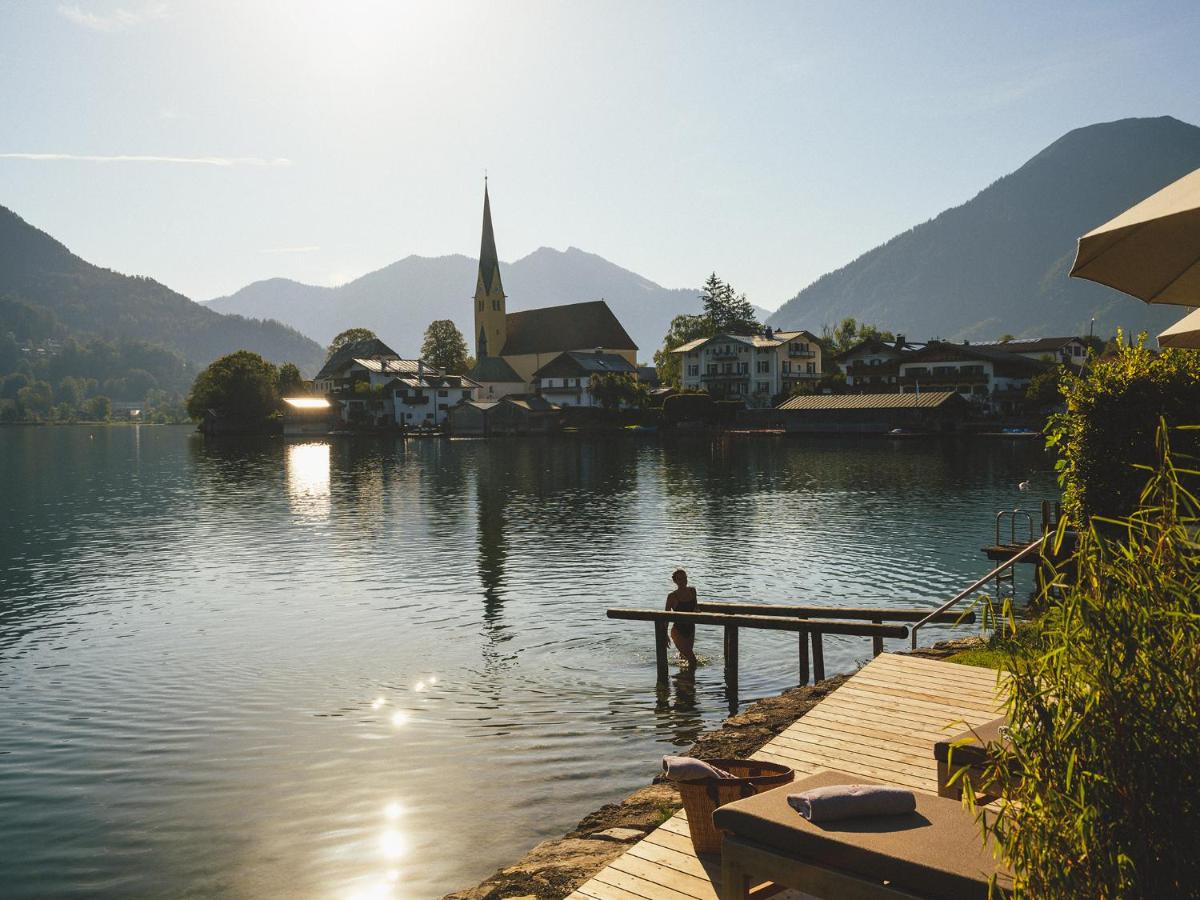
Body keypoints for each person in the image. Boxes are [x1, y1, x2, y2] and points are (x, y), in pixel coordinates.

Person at [665, 568, 698, 667]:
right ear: (675, 581)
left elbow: (696, 607)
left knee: (684, 656)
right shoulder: (672, 596)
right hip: (678, 631)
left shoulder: (692, 591)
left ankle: (682, 680)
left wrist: (698, 612)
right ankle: (690, 680)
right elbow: (666, 616)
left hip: (691, 628)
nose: (683, 581)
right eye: (680, 579)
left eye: (685, 578)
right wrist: (665, 634)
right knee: (692, 660)